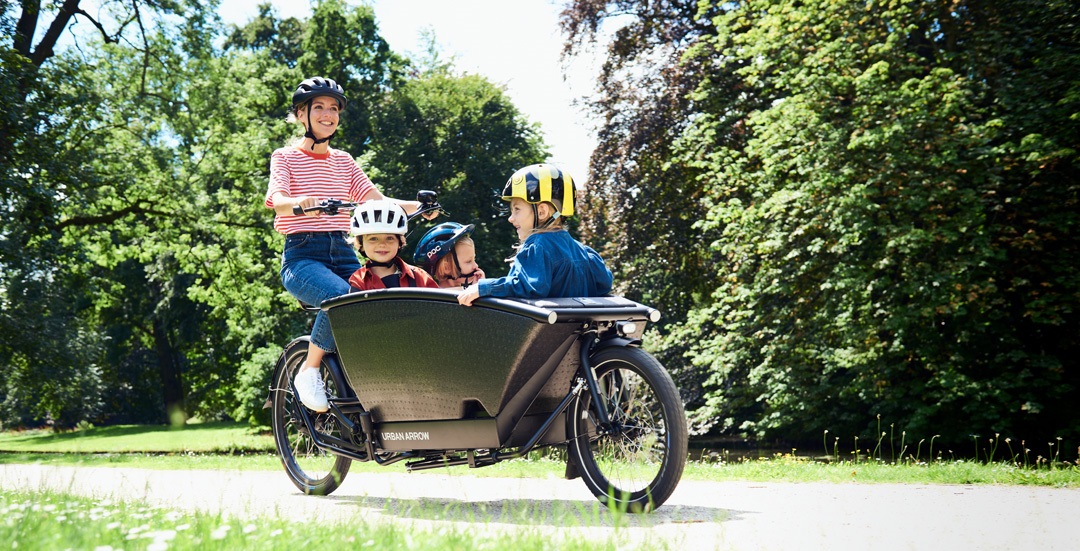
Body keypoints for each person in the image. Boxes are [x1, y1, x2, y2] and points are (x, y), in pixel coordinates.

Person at [265, 76, 432, 413]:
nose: (328, 115)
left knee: (385, 300)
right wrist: (303, 202)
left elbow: (377, 202)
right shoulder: (285, 157)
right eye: (319, 108)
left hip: (343, 252)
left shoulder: (343, 161)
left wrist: (421, 206)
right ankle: (308, 371)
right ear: (301, 115)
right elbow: (277, 199)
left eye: (334, 109)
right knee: (342, 299)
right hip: (302, 257)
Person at [457, 164, 613, 306]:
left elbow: (527, 287)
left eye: (517, 209)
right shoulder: (585, 253)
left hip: (546, 335)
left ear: (542, 211)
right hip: (577, 336)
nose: (511, 218)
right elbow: (605, 283)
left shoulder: (537, 245)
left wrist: (483, 288)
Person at [347, 200, 440, 290]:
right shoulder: (358, 281)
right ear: (360, 243)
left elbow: (439, 304)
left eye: (389, 238)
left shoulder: (419, 277)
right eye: (373, 239)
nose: (382, 244)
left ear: (400, 242)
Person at [413, 222, 486, 289]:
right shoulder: (439, 300)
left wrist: (477, 290)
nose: (476, 265)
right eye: (468, 261)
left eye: (474, 259)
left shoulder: (467, 293)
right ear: (447, 267)